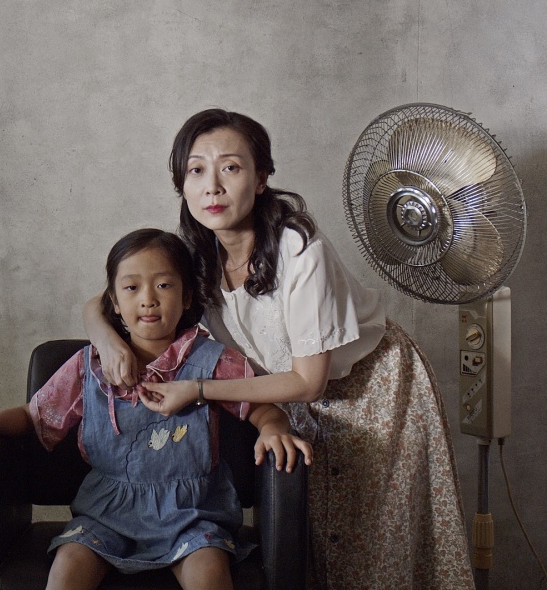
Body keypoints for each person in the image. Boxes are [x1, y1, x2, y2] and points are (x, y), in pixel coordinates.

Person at [83, 110, 475, 589]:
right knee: (315, 548)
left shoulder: (298, 247)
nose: (212, 187)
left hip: (375, 390)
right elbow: (100, 302)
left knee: (378, 548)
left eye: (230, 167)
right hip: (292, 402)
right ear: (182, 184)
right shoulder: (197, 253)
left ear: (261, 177)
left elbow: (309, 381)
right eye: (196, 170)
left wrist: (199, 389)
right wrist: (107, 341)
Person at [0, 228, 312, 590]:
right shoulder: (90, 365)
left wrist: (273, 430)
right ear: (115, 302)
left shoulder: (211, 360)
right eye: (132, 287)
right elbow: (34, 415)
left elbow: (264, 409)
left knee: (209, 572)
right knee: (68, 567)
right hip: (105, 515)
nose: (148, 299)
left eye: (163, 285)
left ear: (187, 296)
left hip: (193, 515)